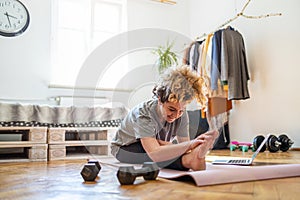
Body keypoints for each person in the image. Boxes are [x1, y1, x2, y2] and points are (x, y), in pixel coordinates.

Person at [110, 65, 218, 171]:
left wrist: (184, 146)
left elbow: (183, 145)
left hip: (153, 143)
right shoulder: (144, 114)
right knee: (153, 154)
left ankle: (190, 158)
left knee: (167, 149)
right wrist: (190, 145)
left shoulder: (182, 114)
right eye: (171, 109)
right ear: (160, 100)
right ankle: (188, 161)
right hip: (125, 148)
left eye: (180, 111)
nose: (176, 116)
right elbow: (155, 154)